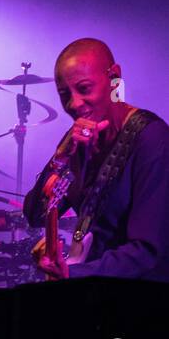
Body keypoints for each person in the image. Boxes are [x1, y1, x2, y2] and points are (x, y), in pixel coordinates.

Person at [23, 38, 169, 281]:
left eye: (84, 88)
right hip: (94, 289)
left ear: (114, 77)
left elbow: (147, 251)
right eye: (64, 95)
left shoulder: (153, 139)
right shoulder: (77, 142)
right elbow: (36, 214)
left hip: (143, 300)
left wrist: (72, 273)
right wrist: (60, 157)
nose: (74, 104)